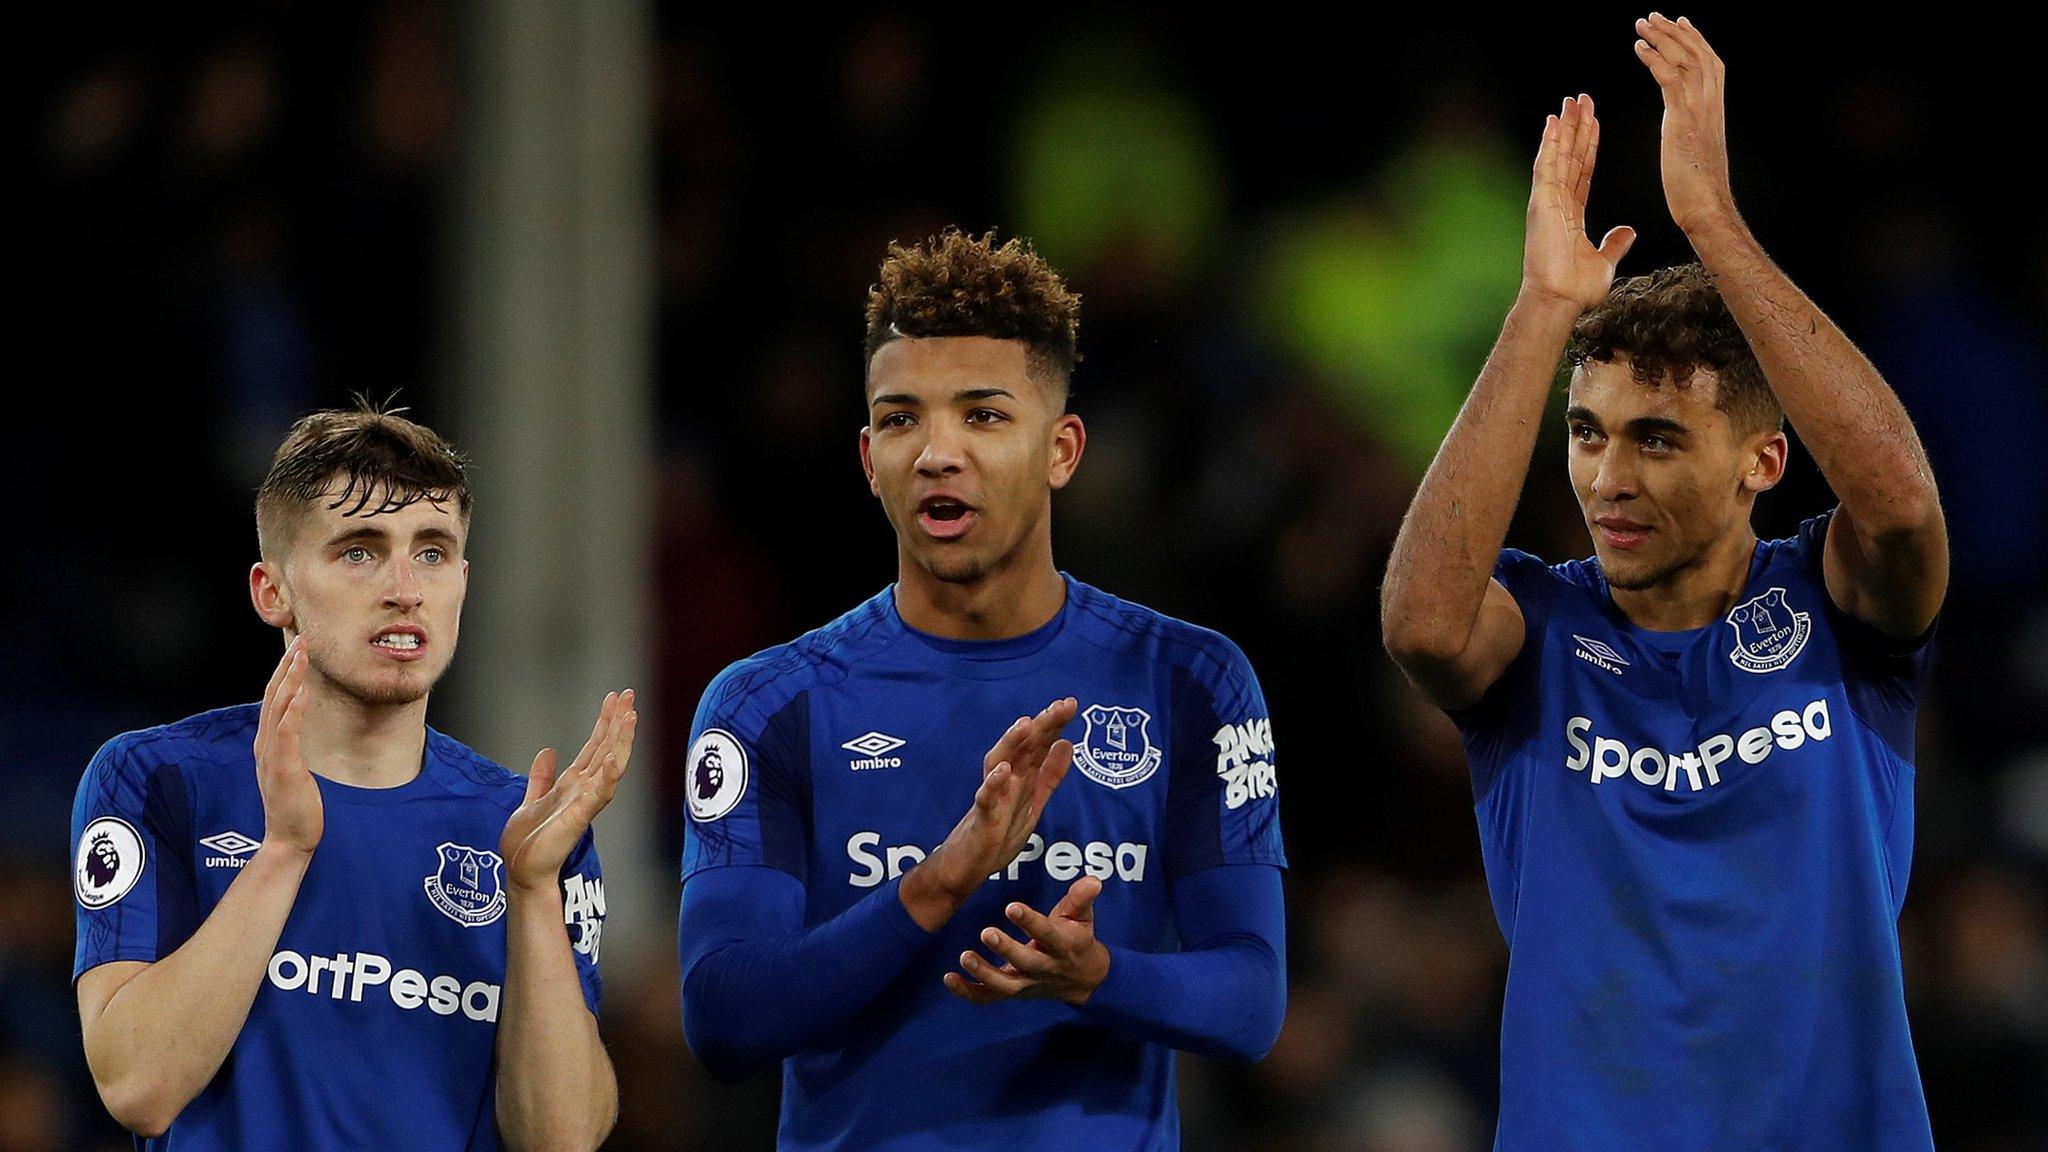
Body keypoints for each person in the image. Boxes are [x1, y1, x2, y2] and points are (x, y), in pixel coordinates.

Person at [1380, 15, 1947, 1151]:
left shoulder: (1833, 610)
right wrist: (1541, 312)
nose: (1607, 478)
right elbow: (1419, 623)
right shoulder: (1536, 625)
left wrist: (1713, 223)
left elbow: (1897, 506)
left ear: (1760, 462)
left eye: (1654, 438)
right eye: (1585, 434)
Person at [677, 229, 1288, 1150]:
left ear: (1063, 449)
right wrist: (942, 881)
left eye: (984, 416)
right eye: (900, 419)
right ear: (867, 459)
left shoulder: (1191, 681)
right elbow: (722, 1017)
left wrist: (1095, 974)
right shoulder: (768, 705)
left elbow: (1252, 999)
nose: (936, 452)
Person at [71, 403, 634, 1150]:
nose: (406, 588)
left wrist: (531, 892)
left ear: (463, 580)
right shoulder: (159, 779)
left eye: (432, 552)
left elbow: (560, 1138)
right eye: (360, 551)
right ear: (273, 591)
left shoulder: (523, 828)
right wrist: (283, 852)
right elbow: (137, 1087)